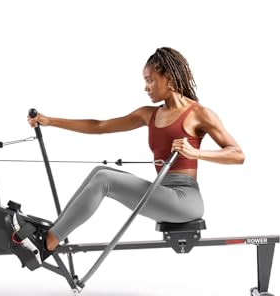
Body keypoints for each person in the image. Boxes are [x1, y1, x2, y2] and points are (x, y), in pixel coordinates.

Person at [26, 47, 245, 258]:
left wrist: (196, 153)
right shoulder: (147, 114)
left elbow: (237, 154)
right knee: (99, 172)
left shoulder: (199, 113)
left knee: (104, 179)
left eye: (150, 80)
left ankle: (47, 243)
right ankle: (53, 232)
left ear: (169, 78)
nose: (146, 88)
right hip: (163, 192)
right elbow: (99, 126)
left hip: (185, 200)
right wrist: (49, 121)